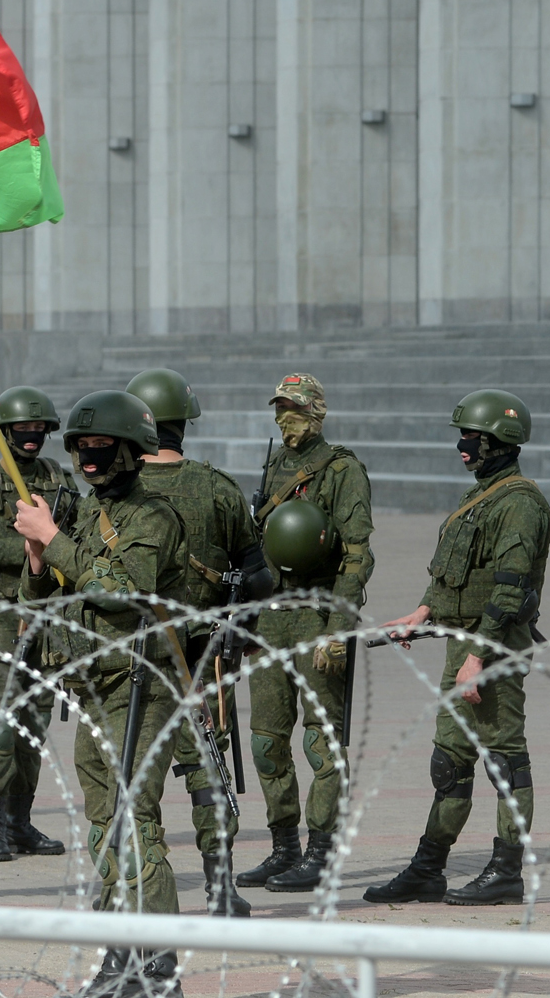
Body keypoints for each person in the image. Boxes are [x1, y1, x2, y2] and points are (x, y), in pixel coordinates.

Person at [14, 390, 187, 997]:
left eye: (100, 446)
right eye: (81, 446)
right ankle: (120, 955)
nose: (88, 457)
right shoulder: (83, 514)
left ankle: (159, 964)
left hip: (139, 685)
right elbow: (43, 604)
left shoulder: (153, 516)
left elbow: (121, 590)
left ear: (129, 449)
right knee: (103, 823)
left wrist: (53, 537)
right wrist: (37, 556)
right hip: (90, 687)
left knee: (135, 819)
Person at [367, 389, 549, 908]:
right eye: (462, 436)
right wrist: (421, 613)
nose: (463, 446)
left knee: (506, 762)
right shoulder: (480, 500)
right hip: (462, 645)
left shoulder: (518, 504)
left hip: (491, 651)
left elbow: (510, 588)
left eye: (471, 437)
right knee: (449, 763)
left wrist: (477, 660)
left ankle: (507, 871)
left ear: (499, 442)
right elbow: (455, 574)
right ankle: (428, 870)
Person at [122, 368, 272, 918]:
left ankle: (132, 882)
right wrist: (241, 635)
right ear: (184, 423)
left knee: (135, 777)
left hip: (132, 660)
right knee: (208, 772)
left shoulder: (117, 494)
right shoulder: (218, 488)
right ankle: (220, 885)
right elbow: (258, 577)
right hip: (203, 658)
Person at [238, 372, 375, 894]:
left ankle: (321, 852)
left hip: (318, 617)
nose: (282, 419)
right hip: (273, 617)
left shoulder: (343, 471)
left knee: (322, 744)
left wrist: (338, 629)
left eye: (292, 410)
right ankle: (283, 847)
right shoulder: (275, 465)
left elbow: (357, 553)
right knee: (267, 742)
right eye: (279, 409)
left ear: (316, 412)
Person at [0, 385, 78, 864]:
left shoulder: (55, 475)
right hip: (5, 612)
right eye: (21, 430)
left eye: (38, 429)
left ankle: (21, 820)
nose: (31, 438)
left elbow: (74, 527)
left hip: (45, 611)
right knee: (2, 718)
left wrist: (52, 548)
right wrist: (27, 550)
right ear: (4, 431)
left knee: (34, 720)